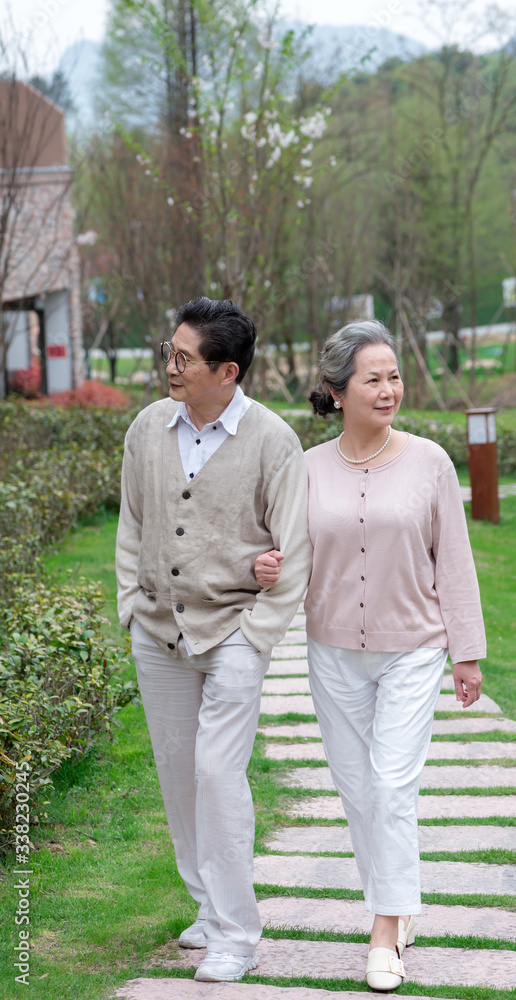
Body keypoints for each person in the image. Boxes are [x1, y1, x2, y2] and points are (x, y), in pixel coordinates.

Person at [255, 319, 486, 992]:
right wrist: (265, 567)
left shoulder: (430, 462)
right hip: (331, 652)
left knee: (390, 787)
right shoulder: (306, 470)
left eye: (394, 377)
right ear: (337, 391)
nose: (389, 390)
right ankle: (396, 901)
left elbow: (455, 561)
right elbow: (288, 555)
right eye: (373, 379)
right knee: (359, 793)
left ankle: (385, 929)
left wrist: (466, 652)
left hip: (412, 649)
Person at [116, 297, 311, 984]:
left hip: (233, 631)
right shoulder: (147, 428)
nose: (170, 366)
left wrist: (257, 635)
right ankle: (206, 906)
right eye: (168, 353)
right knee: (178, 776)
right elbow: (132, 523)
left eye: (184, 358)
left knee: (218, 775)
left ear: (227, 371)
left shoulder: (274, 442)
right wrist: (130, 606)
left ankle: (237, 934)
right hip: (157, 628)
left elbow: (296, 549)